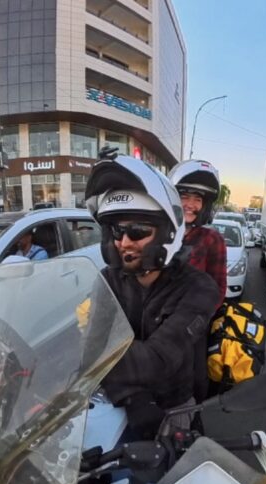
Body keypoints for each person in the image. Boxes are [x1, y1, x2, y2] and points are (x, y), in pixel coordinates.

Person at [85, 155, 222, 436]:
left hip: (173, 406)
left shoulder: (199, 288)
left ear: (167, 234)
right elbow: (92, 344)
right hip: (112, 402)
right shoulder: (108, 279)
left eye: (137, 231)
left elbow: (155, 361)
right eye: (117, 231)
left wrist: (99, 352)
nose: (124, 242)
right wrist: (131, 397)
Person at [169, 160, 227, 298]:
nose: (190, 204)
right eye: (185, 197)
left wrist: (196, 316)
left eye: (197, 199)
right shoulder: (157, 233)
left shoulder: (211, 239)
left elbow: (218, 289)